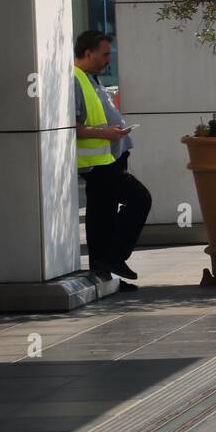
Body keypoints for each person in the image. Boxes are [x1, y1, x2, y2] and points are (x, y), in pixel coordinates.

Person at [74, 30, 152, 286]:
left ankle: (103, 272)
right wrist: (107, 133)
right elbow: (70, 126)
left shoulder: (90, 79)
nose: (109, 59)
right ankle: (114, 257)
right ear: (88, 53)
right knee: (140, 199)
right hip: (98, 164)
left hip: (108, 159)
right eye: (105, 54)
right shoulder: (75, 80)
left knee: (102, 216)